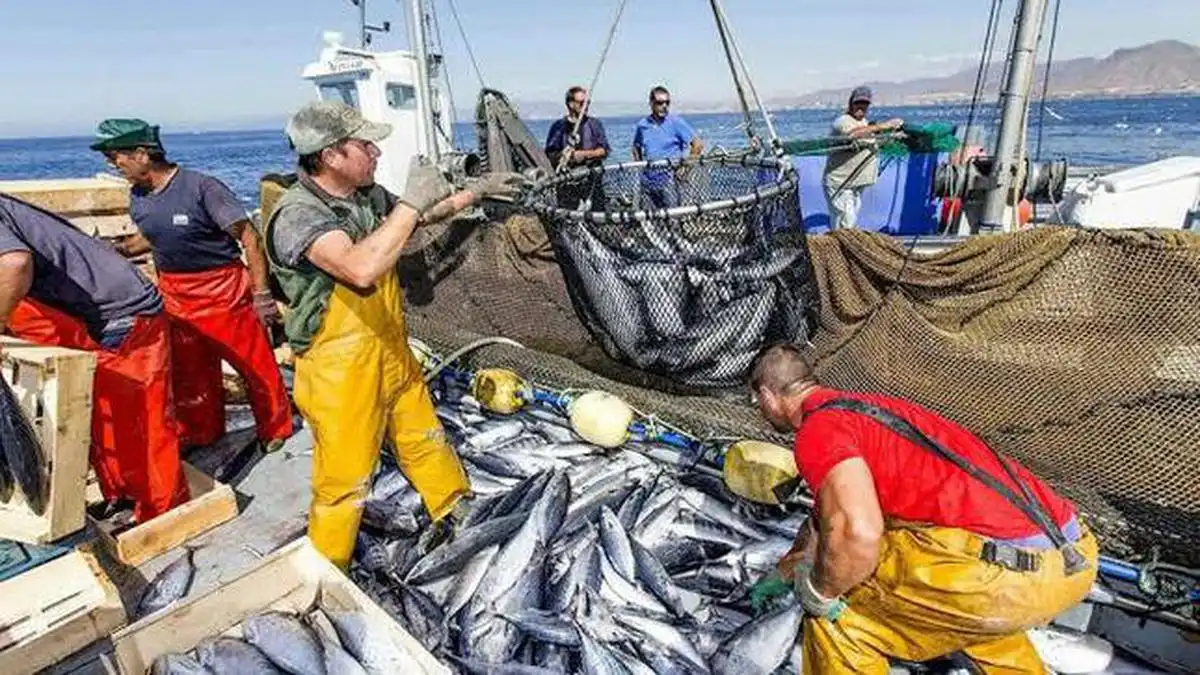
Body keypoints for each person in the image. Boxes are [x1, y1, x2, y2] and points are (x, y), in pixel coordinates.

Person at [265, 100, 528, 569]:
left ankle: (452, 504)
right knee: (344, 477)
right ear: (330, 156)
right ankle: (329, 568)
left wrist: (476, 192)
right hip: (337, 368)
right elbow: (361, 268)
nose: (375, 152)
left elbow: (417, 220)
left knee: (423, 432)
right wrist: (409, 202)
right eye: (364, 145)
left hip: (387, 345)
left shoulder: (364, 195)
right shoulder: (298, 216)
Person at [749, 343, 1098, 674]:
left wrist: (821, 593)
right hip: (1067, 561)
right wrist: (786, 570)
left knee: (841, 617)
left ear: (768, 395)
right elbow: (826, 521)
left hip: (997, 577)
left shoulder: (818, 432)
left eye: (757, 401)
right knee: (944, 611)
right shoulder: (872, 409)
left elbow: (857, 534)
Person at [91, 118, 294, 453]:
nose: (113, 165)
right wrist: (123, 249)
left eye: (116, 157)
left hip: (222, 290)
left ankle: (275, 427)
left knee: (253, 364)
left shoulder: (202, 188)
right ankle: (203, 432)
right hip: (175, 294)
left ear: (142, 154)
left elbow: (249, 237)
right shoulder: (139, 196)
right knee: (191, 372)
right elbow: (152, 234)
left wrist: (261, 294)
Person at [0, 193, 189, 522]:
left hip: (123, 313)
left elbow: (15, 264)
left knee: (141, 421)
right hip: (92, 312)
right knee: (103, 416)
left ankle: (162, 513)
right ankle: (124, 499)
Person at [823, 86, 903, 230]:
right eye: (858, 103)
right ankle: (840, 250)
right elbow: (853, 134)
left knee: (848, 223)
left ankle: (842, 248)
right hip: (840, 184)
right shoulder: (843, 121)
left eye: (864, 103)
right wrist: (884, 126)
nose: (861, 107)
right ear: (851, 103)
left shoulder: (865, 123)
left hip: (856, 185)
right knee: (847, 223)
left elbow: (871, 136)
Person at [631, 86, 703, 209]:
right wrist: (640, 166)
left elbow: (697, 145)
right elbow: (635, 146)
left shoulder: (676, 122)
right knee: (650, 219)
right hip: (648, 180)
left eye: (667, 103)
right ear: (651, 103)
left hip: (669, 179)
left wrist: (685, 169)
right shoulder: (642, 125)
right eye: (660, 103)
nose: (664, 106)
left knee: (673, 218)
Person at [545, 86, 611, 210]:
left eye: (588, 103)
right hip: (567, 185)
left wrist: (584, 154)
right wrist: (567, 156)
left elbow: (604, 150)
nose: (586, 106)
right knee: (569, 220)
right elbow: (550, 154)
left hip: (592, 183)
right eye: (582, 103)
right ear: (570, 104)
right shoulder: (558, 127)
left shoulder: (595, 125)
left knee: (596, 219)